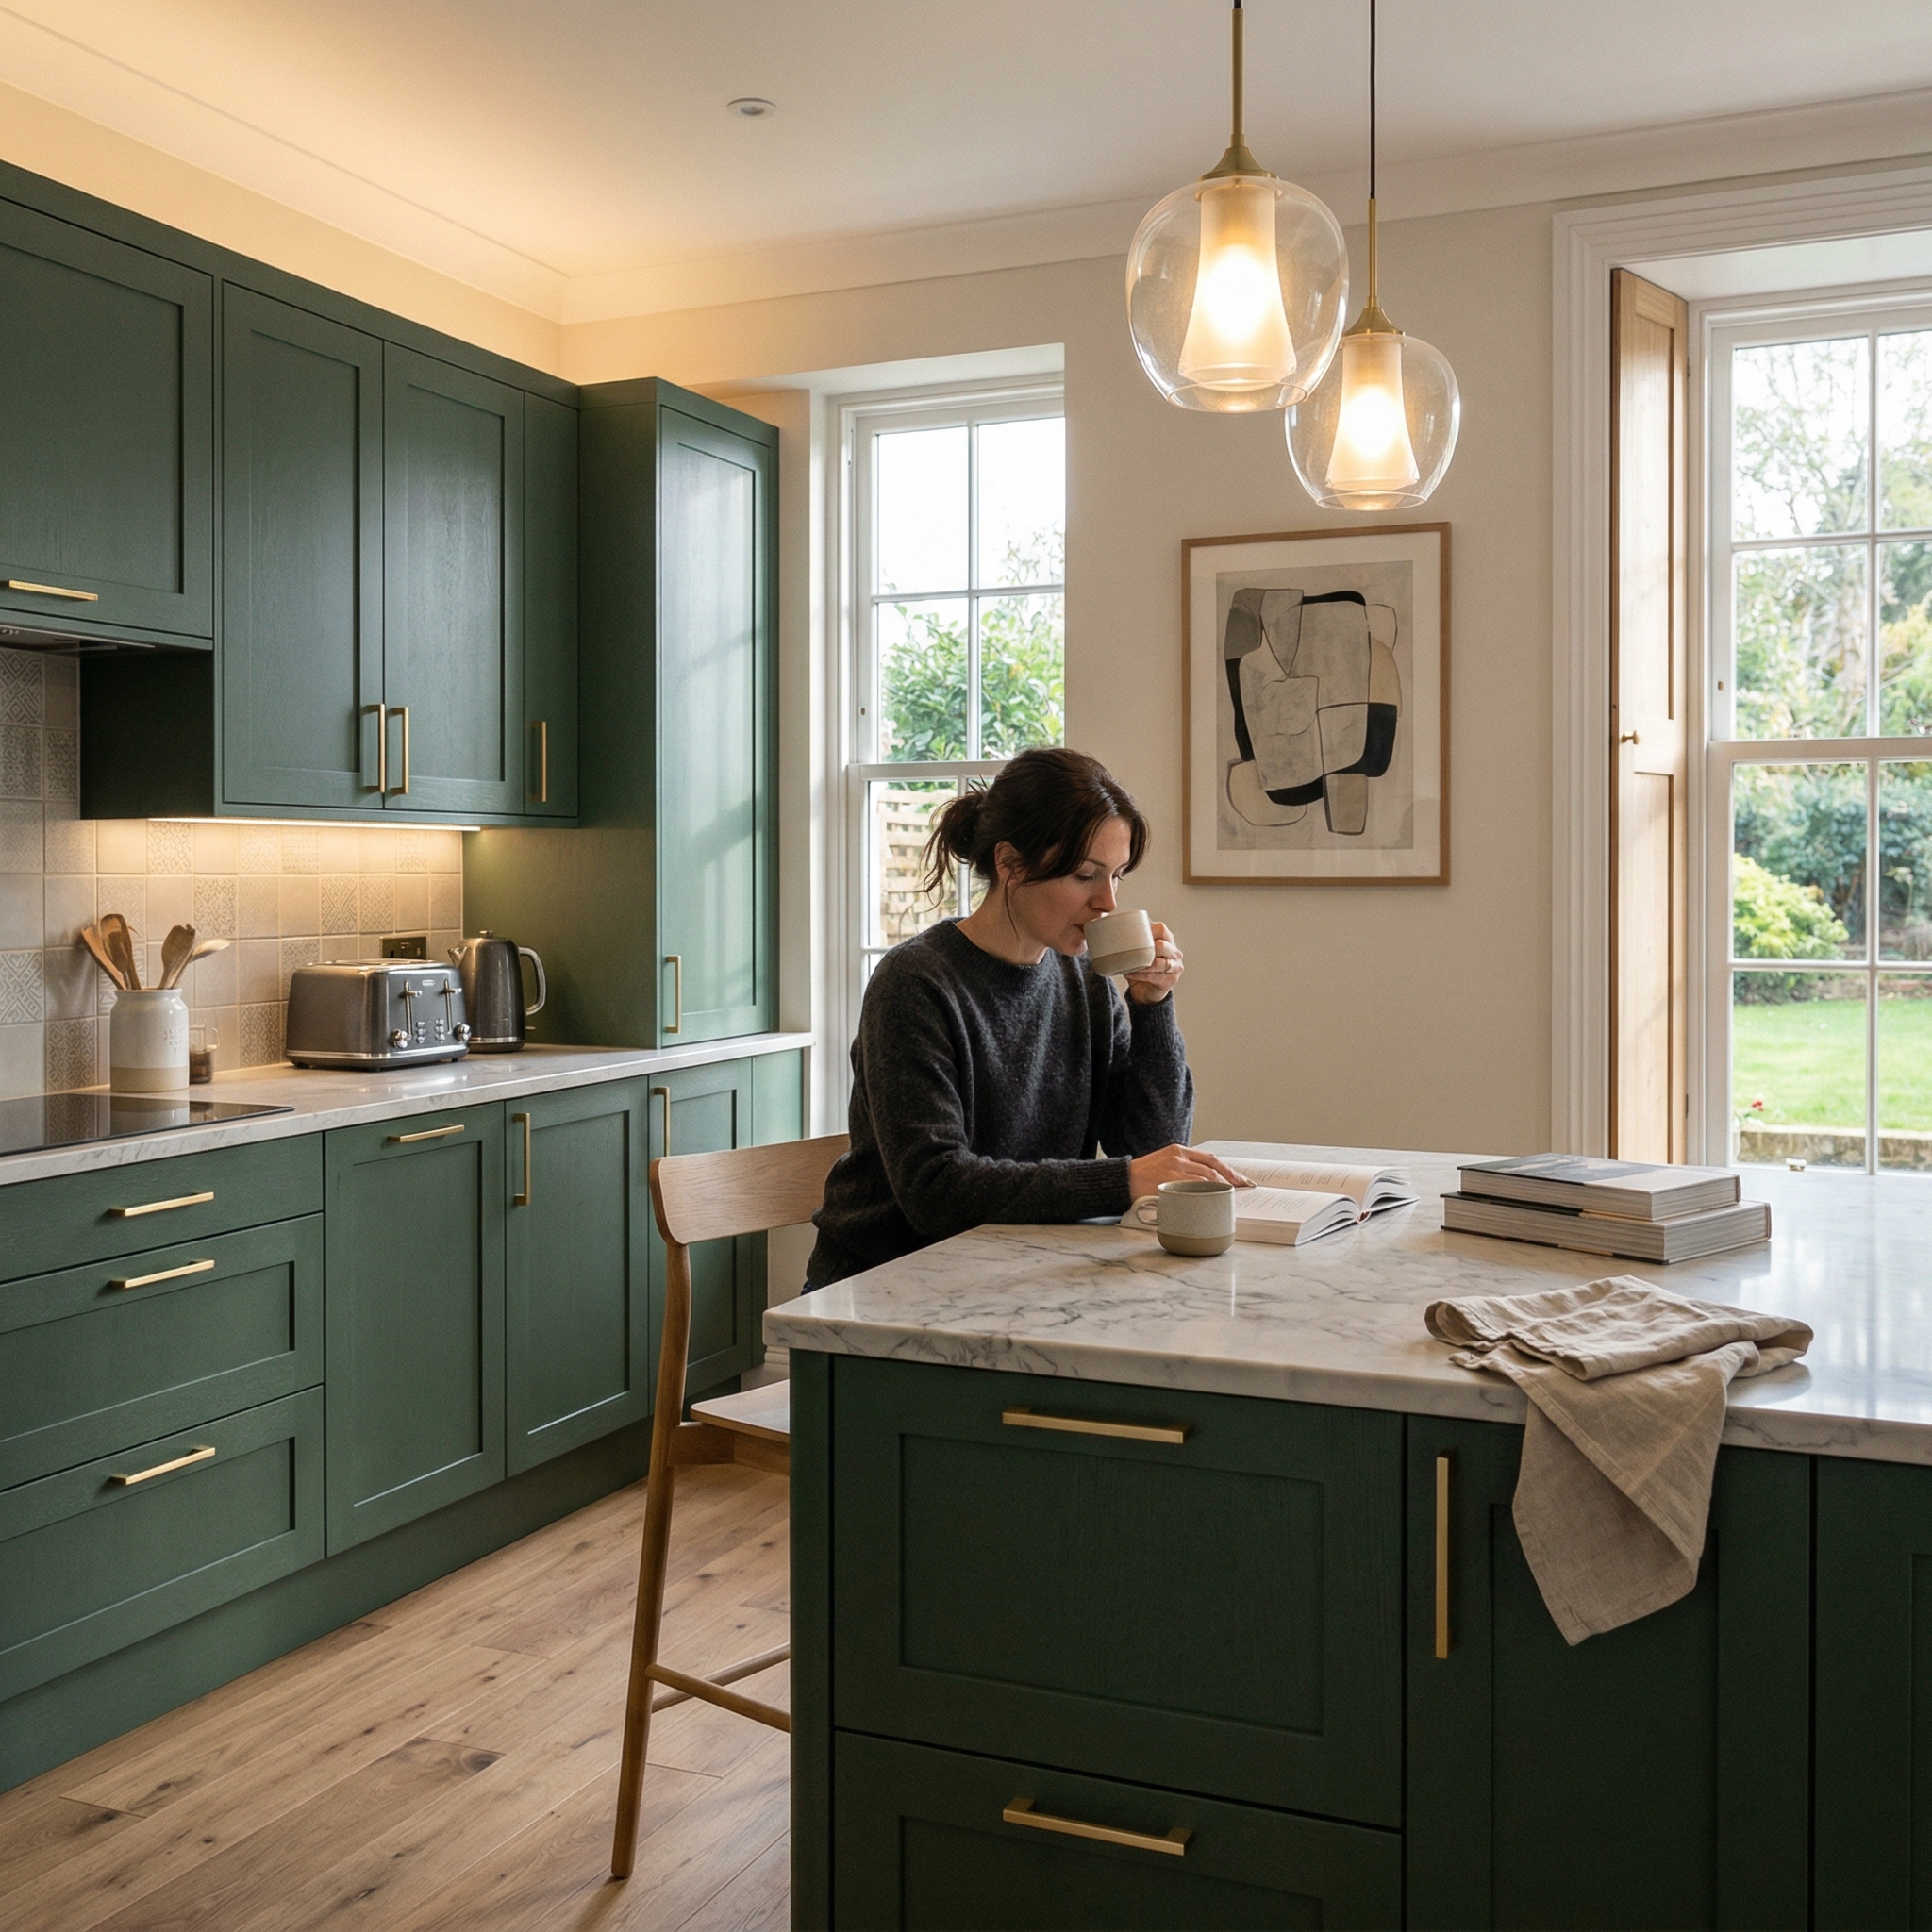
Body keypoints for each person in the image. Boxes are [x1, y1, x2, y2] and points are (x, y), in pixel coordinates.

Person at [807, 746, 1245, 1287]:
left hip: (1020, 1273)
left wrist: (1152, 1005)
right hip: (886, 1287)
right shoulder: (914, 983)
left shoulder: (1083, 979)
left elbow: (1153, 1145)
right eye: (1086, 876)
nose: (1108, 902)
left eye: (1118, 876)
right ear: (1011, 864)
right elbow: (934, 1189)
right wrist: (1122, 1181)